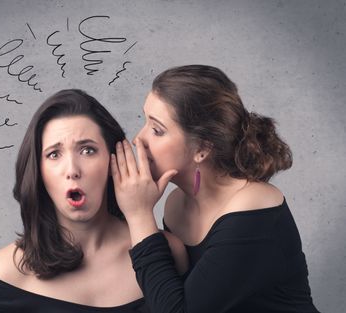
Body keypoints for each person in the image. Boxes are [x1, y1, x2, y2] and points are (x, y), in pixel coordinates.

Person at [111, 65, 320, 313]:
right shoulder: (177, 204)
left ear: (202, 149)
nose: (138, 139)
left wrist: (139, 216)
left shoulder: (253, 207)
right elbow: (168, 292)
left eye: (157, 130)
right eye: (144, 121)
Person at [0, 89, 188, 313]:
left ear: (115, 162)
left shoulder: (169, 252)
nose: (72, 170)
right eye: (54, 154)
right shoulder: (6, 273)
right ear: (39, 172)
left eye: (87, 150)